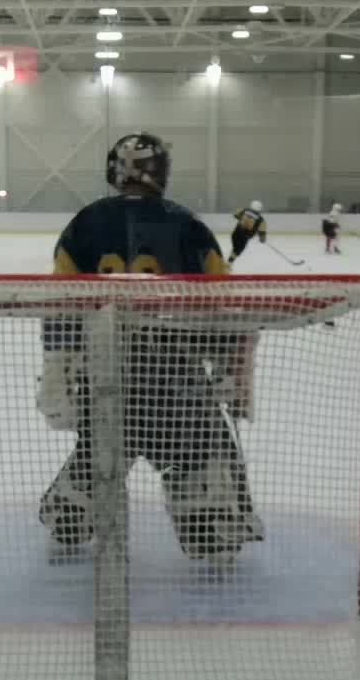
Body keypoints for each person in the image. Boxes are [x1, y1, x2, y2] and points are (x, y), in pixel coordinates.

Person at [40, 131, 261, 562]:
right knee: (199, 452)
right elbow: (225, 309)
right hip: (174, 379)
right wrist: (231, 371)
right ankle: (210, 528)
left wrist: (56, 375)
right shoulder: (189, 225)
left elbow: (60, 305)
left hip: (104, 374)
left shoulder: (83, 224)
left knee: (101, 451)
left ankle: (71, 513)